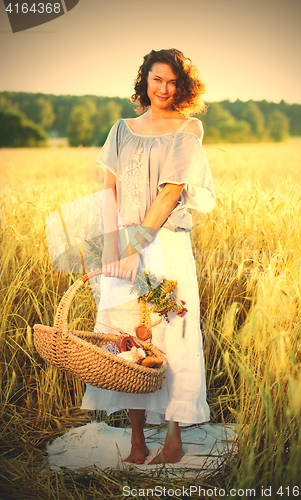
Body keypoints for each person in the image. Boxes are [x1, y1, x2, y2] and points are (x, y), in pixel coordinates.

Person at [81, 48, 216, 464]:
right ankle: (138, 442)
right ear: (145, 81)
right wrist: (112, 251)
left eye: (173, 81)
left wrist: (135, 250)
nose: (164, 88)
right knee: (128, 338)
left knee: (171, 330)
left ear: (183, 86)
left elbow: (170, 194)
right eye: (157, 79)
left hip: (165, 247)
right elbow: (109, 192)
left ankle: (173, 441)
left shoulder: (188, 128)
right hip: (121, 246)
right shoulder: (121, 129)